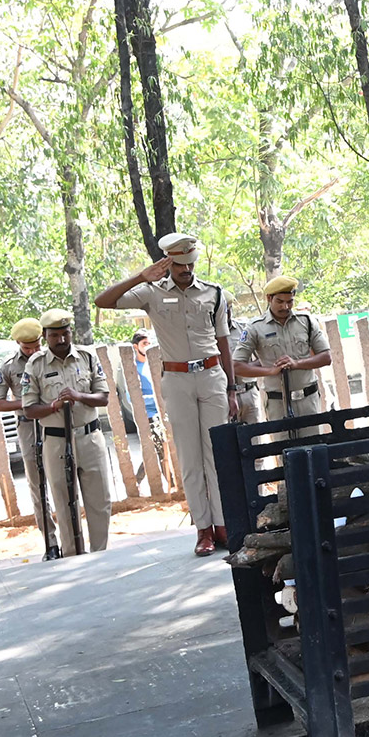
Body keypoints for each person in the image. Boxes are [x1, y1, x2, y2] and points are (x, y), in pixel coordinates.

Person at [94, 232, 238, 557]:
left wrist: (232, 388)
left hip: (212, 375)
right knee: (189, 458)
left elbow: (224, 342)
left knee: (216, 454)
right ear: (168, 262)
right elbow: (103, 301)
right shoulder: (150, 293)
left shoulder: (214, 294)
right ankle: (203, 530)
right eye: (180, 264)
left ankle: (222, 524)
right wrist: (140, 276)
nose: (186, 270)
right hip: (177, 378)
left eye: (190, 263)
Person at [20, 309, 112, 556]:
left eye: (65, 334)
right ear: (46, 336)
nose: (61, 340)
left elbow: (103, 397)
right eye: (55, 335)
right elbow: (29, 410)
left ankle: (101, 555)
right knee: (64, 502)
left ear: (70, 333)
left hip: (90, 437)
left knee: (100, 501)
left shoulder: (87, 357)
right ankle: (72, 556)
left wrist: (78, 396)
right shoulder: (36, 364)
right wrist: (53, 406)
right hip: (56, 441)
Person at [233, 276, 332, 434]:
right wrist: (270, 371)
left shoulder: (306, 322)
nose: (285, 307)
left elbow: (326, 357)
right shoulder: (255, 328)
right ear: (269, 298)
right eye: (280, 301)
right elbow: (237, 366)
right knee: (284, 452)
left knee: (314, 451)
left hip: (308, 400)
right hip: (277, 403)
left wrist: (297, 364)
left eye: (290, 301)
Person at [0, 318, 59, 560]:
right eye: (26, 347)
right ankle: (50, 542)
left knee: (63, 480)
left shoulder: (53, 358)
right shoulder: (8, 367)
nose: (32, 351)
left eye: (35, 346)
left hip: (56, 423)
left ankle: (73, 537)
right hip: (28, 427)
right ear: (18, 343)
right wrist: (27, 403)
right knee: (38, 485)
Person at [129, 331, 169, 485]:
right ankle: (169, 480)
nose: (148, 346)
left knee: (156, 449)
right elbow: (132, 397)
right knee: (157, 448)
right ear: (135, 346)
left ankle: (137, 480)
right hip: (149, 415)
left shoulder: (153, 364)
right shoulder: (134, 369)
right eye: (144, 344)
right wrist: (155, 399)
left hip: (163, 412)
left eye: (149, 343)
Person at [225, 306, 261, 423]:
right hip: (224, 396)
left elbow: (264, 359)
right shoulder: (207, 334)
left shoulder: (245, 328)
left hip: (249, 392)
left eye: (227, 309)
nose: (225, 313)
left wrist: (242, 368)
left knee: (255, 438)